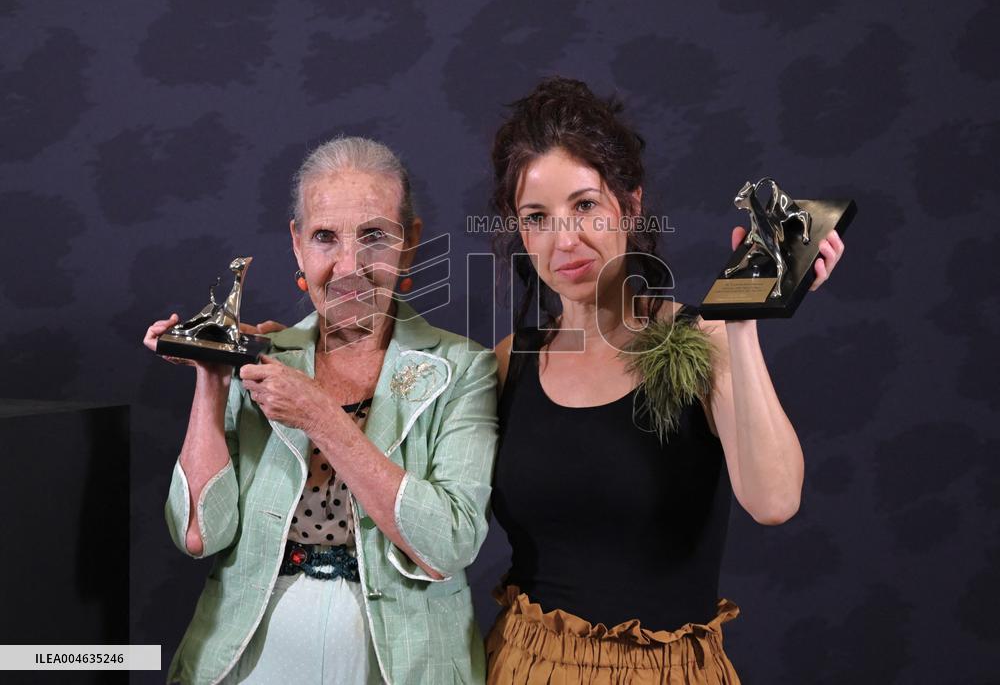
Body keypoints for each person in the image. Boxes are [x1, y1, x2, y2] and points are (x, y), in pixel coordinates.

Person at [485, 77, 845, 684]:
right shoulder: (508, 362)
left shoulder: (701, 339)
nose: (564, 239)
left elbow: (774, 502)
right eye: (537, 217)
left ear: (630, 206)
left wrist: (740, 323)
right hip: (523, 666)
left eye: (585, 205)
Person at [144, 137, 499, 685]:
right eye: (325, 237)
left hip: (403, 663)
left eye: (374, 236)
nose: (349, 266)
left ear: (410, 243)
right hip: (254, 656)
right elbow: (198, 536)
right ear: (297, 245)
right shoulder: (264, 359)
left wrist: (321, 417)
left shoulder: (462, 369)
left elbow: (448, 545)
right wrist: (212, 377)